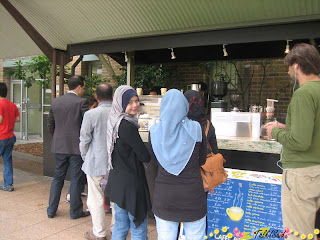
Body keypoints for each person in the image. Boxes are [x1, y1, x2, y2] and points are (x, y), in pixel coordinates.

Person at [265, 43, 320, 239]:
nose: (288, 72)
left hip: (301, 174)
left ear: (296, 65)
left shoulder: (303, 94)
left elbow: (300, 142)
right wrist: (286, 127)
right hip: (317, 171)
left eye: (288, 67)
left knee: (298, 234)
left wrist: (275, 133)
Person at [150, 89, 207, 240]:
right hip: (192, 196)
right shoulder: (197, 128)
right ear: (184, 107)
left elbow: (154, 162)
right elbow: (202, 160)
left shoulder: (154, 132)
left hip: (164, 196)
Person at [105, 85, 151, 240]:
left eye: (136, 101)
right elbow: (145, 157)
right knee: (138, 227)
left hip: (118, 182)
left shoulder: (114, 122)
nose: (135, 105)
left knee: (120, 225)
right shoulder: (127, 126)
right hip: (132, 185)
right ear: (120, 103)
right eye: (130, 102)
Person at [47, 75, 90, 219]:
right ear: (79, 86)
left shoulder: (55, 102)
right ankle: (75, 211)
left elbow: (50, 125)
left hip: (59, 146)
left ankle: (51, 210)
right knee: (76, 179)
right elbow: (87, 126)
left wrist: (58, 139)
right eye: (83, 87)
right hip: (76, 147)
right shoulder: (82, 102)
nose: (83, 90)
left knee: (57, 178)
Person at [80, 83, 113, 240]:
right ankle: (116, 230)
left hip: (95, 163)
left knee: (96, 199)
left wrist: (85, 158)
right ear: (112, 96)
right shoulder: (118, 113)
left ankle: (99, 233)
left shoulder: (90, 115)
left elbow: (84, 141)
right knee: (116, 201)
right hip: (116, 164)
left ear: (96, 97)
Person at [65, 96, 98, 203]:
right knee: (77, 173)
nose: (95, 108)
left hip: (80, 148)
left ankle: (74, 192)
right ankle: (71, 194)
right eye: (94, 107)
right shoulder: (87, 117)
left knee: (78, 173)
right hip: (82, 150)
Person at [184, 90, 218, 155]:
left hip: (184, 163)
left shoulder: (181, 124)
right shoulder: (207, 124)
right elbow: (215, 150)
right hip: (204, 163)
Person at [0, 82, 20, 192]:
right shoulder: (12, 105)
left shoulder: (0, 104)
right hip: (10, 136)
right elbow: (17, 119)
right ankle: (8, 185)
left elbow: (0, 119)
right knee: (7, 160)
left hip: (1, 136)